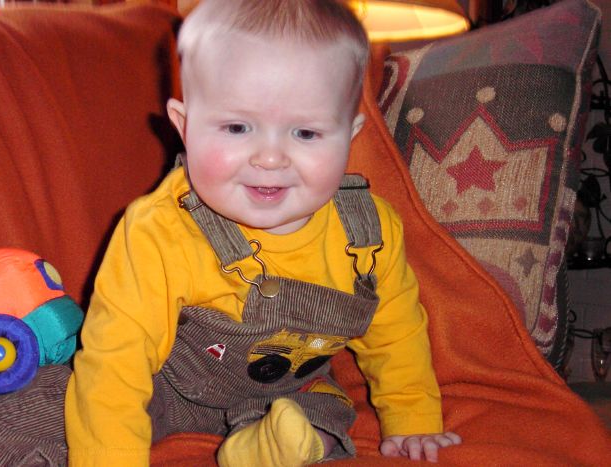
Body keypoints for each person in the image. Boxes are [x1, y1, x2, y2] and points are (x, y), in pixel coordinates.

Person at [65, 0, 460, 465]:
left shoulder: (368, 234)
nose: (270, 158)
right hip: (164, 390)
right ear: (185, 127)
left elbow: (396, 332)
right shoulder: (159, 230)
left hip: (289, 394)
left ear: (350, 135)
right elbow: (116, 360)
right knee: (50, 404)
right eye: (237, 127)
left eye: (306, 133)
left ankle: (269, 448)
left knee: (327, 411)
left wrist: (413, 417)